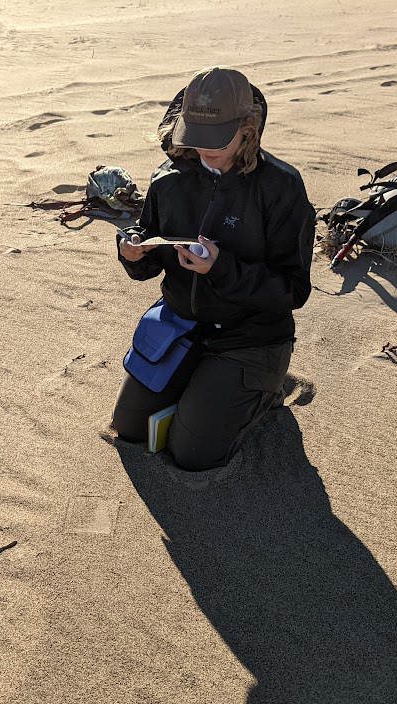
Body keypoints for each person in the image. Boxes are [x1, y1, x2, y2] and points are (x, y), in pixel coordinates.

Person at [112, 66, 315, 472]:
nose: (205, 150)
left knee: (192, 454)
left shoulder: (281, 187)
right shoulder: (168, 178)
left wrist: (221, 269)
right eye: (196, 135)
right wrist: (135, 252)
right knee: (129, 427)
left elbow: (293, 290)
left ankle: (264, 393)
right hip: (180, 324)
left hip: (250, 338)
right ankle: (200, 390)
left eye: (218, 137)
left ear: (248, 127)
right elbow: (149, 243)